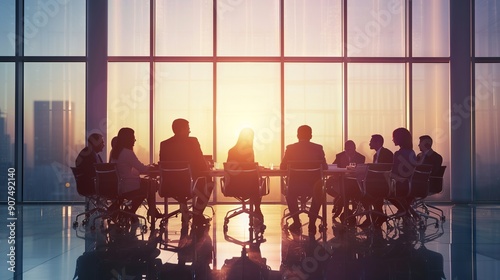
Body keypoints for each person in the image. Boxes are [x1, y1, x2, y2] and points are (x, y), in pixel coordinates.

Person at [159, 118, 214, 227]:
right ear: (182, 129)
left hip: (169, 185)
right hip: (189, 184)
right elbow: (201, 163)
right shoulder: (192, 142)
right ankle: (197, 214)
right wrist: (207, 166)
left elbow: (163, 163)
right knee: (209, 183)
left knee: (183, 188)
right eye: (188, 128)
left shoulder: (164, 144)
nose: (189, 131)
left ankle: (184, 205)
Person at [280, 125, 328, 235]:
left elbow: (283, 167)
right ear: (311, 135)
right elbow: (324, 167)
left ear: (297, 136)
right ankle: (312, 222)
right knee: (318, 191)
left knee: (289, 193)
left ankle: (296, 222)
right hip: (313, 187)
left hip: (294, 187)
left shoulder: (290, 148)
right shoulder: (318, 148)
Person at [110, 127, 161, 219]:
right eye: (133, 137)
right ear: (128, 139)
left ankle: (135, 211)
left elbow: (127, 169)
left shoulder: (115, 152)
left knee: (147, 184)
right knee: (151, 184)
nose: (135, 140)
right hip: (128, 186)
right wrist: (152, 167)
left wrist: (147, 167)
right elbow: (141, 169)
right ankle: (134, 211)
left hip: (119, 185)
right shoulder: (127, 152)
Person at [226, 128, 265, 224]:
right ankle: (257, 209)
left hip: (234, 187)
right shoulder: (249, 150)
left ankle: (257, 209)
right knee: (258, 181)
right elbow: (249, 167)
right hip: (250, 188)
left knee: (253, 181)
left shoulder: (231, 151)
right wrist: (257, 168)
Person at [358, 134, 394, 228]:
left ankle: (374, 216)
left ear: (378, 142)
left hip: (383, 184)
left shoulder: (387, 153)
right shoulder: (375, 155)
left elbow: (385, 170)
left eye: (371, 141)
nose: (369, 143)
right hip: (376, 183)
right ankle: (377, 214)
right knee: (361, 191)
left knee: (362, 193)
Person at [328, 140, 366, 223]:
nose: (348, 152)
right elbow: (334, 166)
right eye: (346, 150)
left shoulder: (361, 157)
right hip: (341, 179)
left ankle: (341, 200)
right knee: (327, 184)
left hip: (354, 181)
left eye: (350, 150)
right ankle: (339, 197)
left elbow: (360, 171)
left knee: (347, 190)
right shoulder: (339, 156)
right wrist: (336, 174)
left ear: (354, 149)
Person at [390, 127, 418, 216]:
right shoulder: (412, 152)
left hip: (402, 185)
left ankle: (405, 211)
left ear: (399, 138)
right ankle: (408, 211)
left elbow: (394, 173)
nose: (392, 140)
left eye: (393, 137)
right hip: (412, 184)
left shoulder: (398, 154)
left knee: (382, 192)